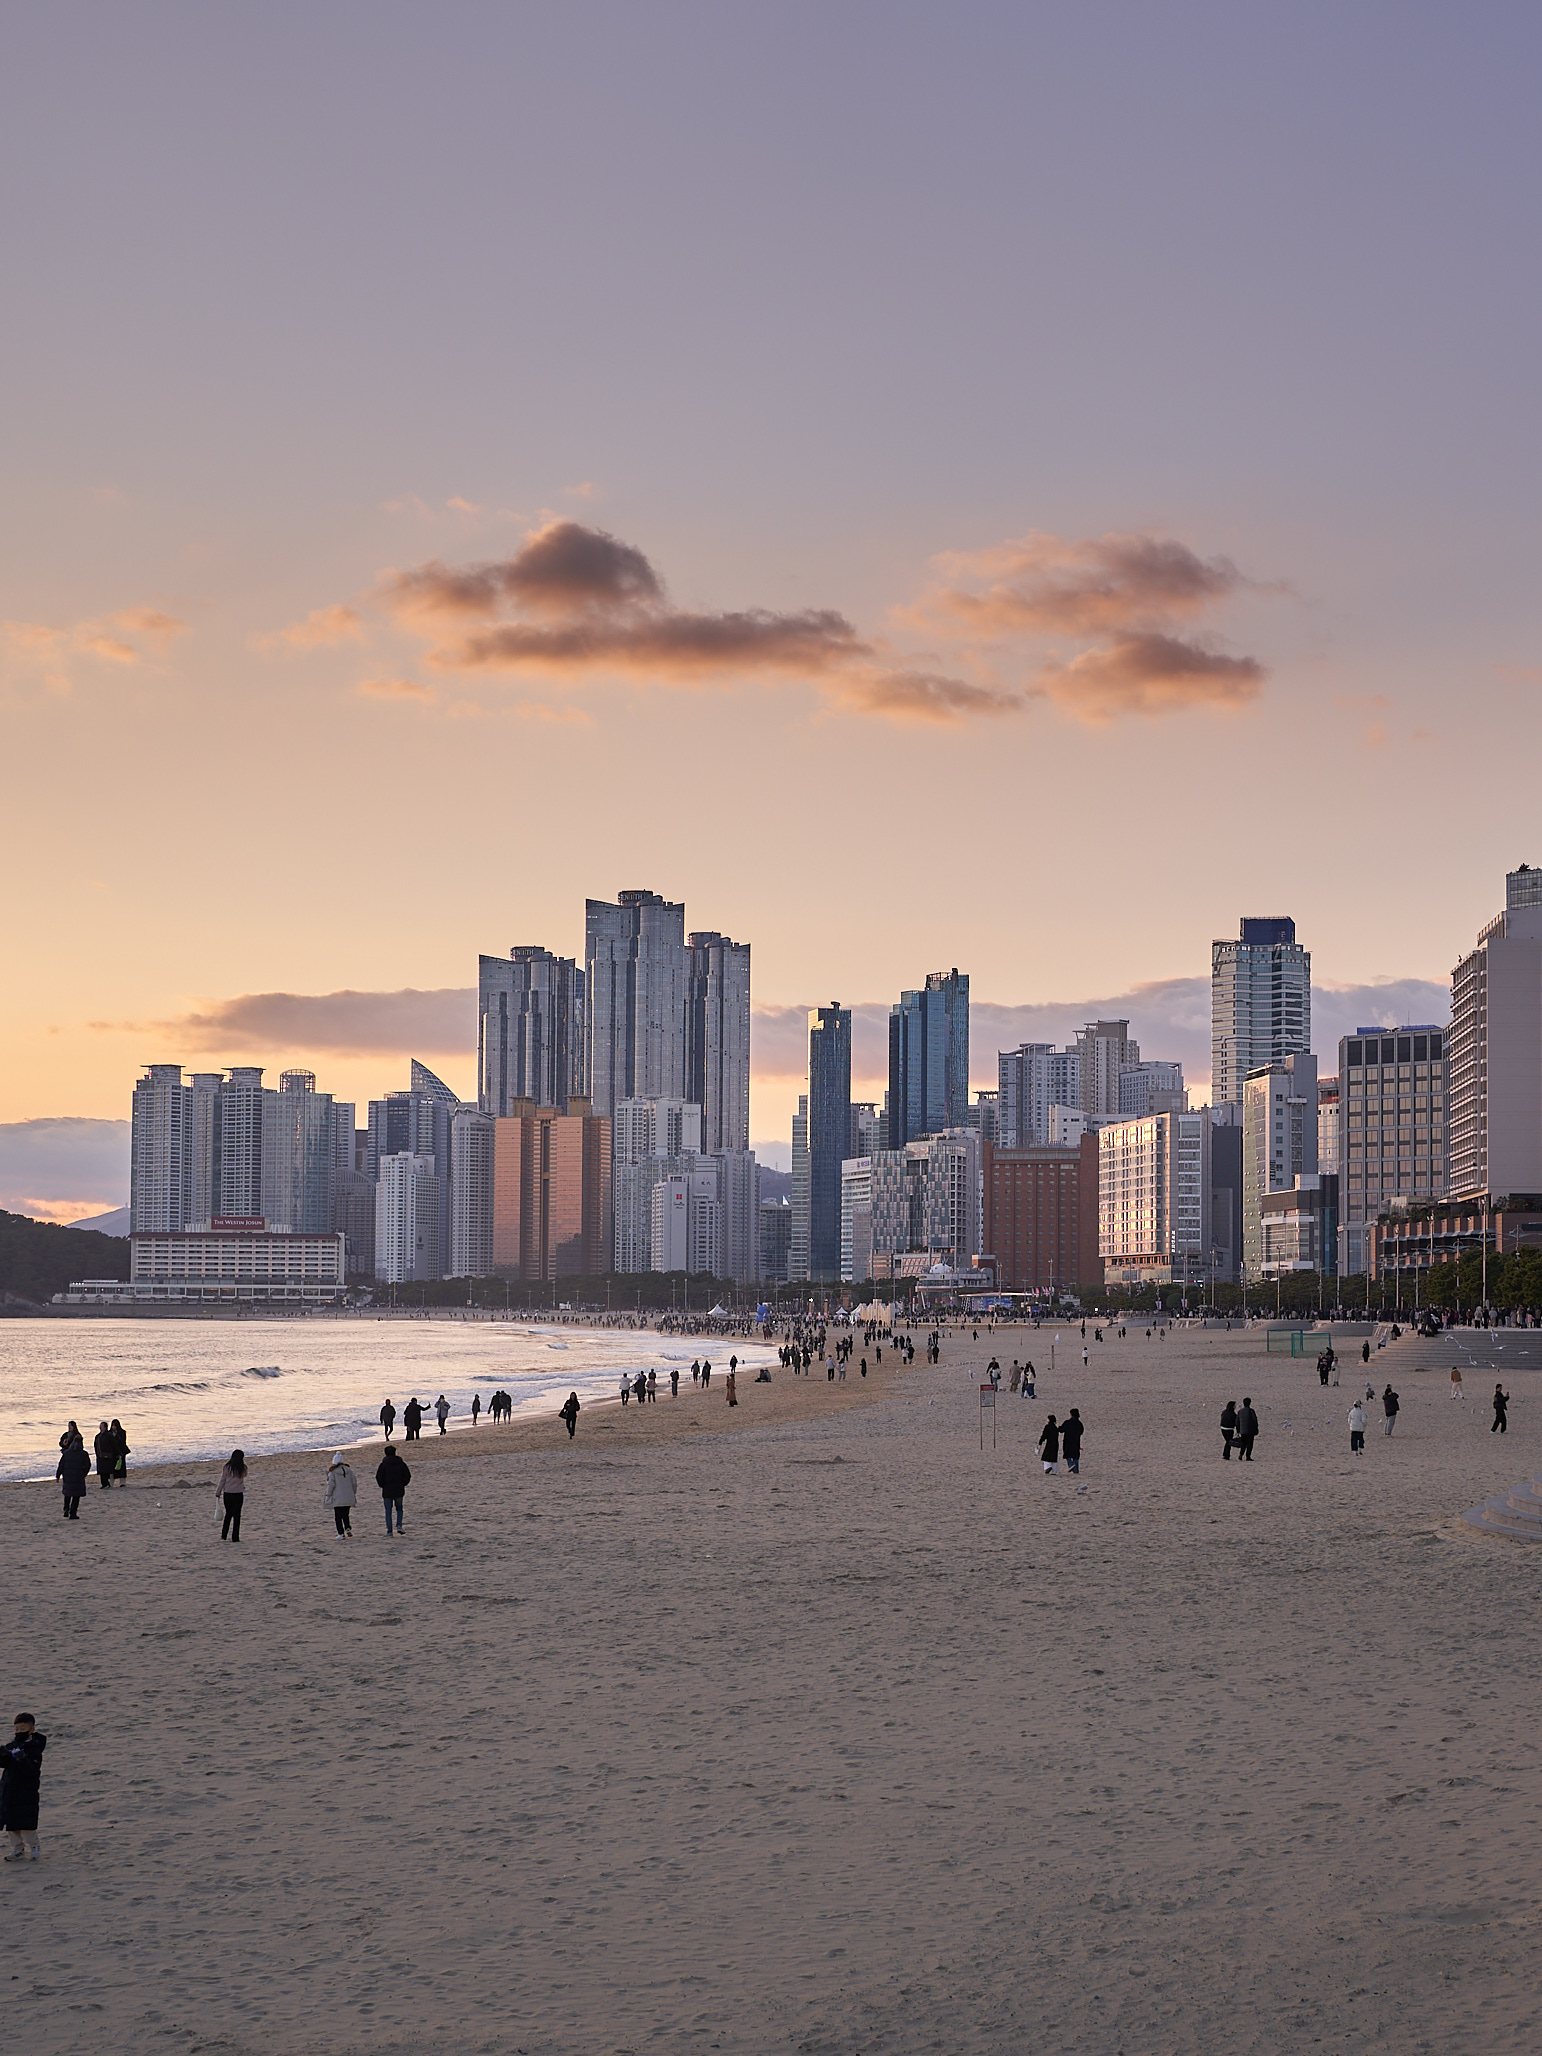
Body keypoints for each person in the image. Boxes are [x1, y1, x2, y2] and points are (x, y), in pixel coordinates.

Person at [1, 1715, 46, 1863]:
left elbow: (32, 1770)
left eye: (23, 1729)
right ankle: (17, 1849)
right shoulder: (12, 1745)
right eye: (16, 1729)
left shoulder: (35, 1749)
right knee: (11, 1824)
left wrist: (21, 1758)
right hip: (9, 1790)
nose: (19, 1731)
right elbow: (4, 1763)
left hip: (27, 1791)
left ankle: (34, 1847)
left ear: (31, 1730)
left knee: (27, 1824)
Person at [376, 1444, 411, 1532]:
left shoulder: (383, 1465)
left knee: (388, 1511)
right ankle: (399, 1525)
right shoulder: (401, 1463)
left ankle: (389, 1531)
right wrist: (403, 1484)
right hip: (399, 1489)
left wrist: (382, 1485)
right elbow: (407, 1475)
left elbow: (379, 1477)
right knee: (399, 1509)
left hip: (387, 1490)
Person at [56, 1435, 91, 1519]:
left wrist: (58, 1475)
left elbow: (61, 1464)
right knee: (76, 1495)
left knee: (67, 1493)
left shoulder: (67, 1453)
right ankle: (73, 1513)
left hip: (67, 1476)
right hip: (78, 1476)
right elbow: (88, 1465)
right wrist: (84, 1474)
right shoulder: (83, 1454)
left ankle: (66, 1509)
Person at [216, 1449, 248, 1540]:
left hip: (228, 1494)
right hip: (238, 1493)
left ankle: (224, 1535)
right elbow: (244, 1476)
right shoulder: (243, 1468)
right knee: (237, 1516)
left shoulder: (227, 1468)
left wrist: (218, 1492)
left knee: (228, 1514)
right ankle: (235, 1537)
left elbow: (222, 1480)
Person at [325, 1452, 357, 1537]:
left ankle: (341, 1533)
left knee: (338, 1517)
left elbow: (331, 1485)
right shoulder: (349, 1470)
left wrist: (328, 1494)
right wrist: (353, 1492)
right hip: (348, 1496)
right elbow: (354, 1483)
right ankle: (347, 1527)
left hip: (338, 1497)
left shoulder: (333, 1472)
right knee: (346, 1514)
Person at [1234, 1397, 1259, 1461]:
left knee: (1243, 1443)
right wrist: (1256, 1427)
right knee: (1250, 1443)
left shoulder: (1240, 1411)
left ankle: (1241, 1454)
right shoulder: (1251, 1411)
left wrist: (1238, 1430)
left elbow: (1237, 1421)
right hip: (1250, 1430)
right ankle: (1248, 1456)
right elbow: (1254, 1420)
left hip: (1242, 1430)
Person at [1061, 1408, 1085, 1475]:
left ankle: (1071, 1465)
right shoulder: (1079, 1424)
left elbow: (1061, 1430)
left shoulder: (1067, 1422)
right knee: (1075, 1456)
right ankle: (1076, 1470)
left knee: (1067, 1455)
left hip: (1067, 1441)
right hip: (1076, 1441)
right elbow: (1081, 1432)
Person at [93, 1420, 114, 1488]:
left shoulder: (109, 1435)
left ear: (105, 1427)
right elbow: (95, 1445)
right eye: (100, 1426)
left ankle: (107, 1484)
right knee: (101, 1471)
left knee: (106, 1470)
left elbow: (114, 1445)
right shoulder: (98, 1436)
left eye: (101, 1426)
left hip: (107, 1455)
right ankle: (104, 1484)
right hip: (100, 1455)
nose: (100, 1427)